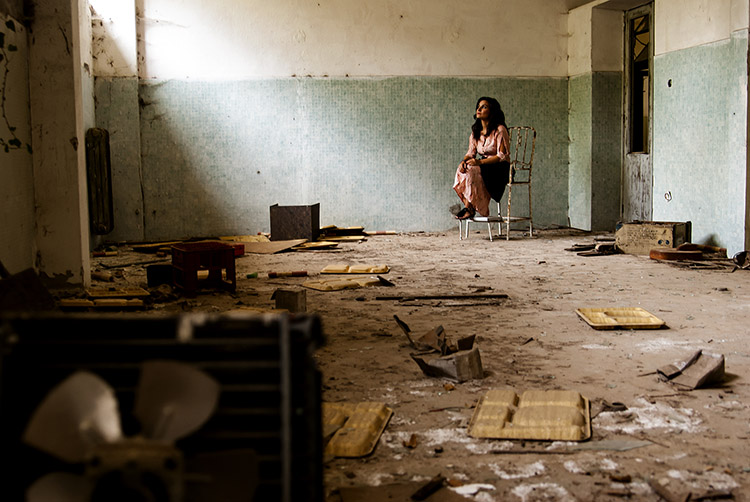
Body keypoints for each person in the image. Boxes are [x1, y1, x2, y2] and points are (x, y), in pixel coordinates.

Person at [453, 97, 511, 220]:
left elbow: (502, 156)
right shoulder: (476, 132)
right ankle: (469, 207)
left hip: (500, 167)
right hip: (483, 166)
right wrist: (463, 162)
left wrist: (479, 162)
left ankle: (469, 209)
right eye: (478, 106)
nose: (478, 109)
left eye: (484, 107)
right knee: (463, 169)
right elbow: (470, 152)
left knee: (473, 170)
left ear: (492, 111)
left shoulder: (500, 130)